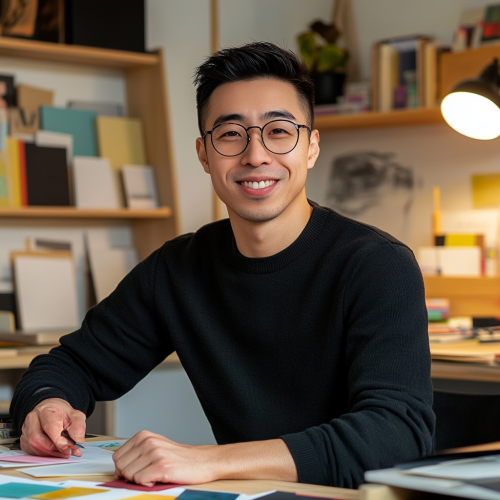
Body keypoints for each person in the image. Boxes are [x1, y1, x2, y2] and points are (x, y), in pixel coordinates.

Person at [11, 42, 434, 489]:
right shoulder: (179, 269)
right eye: (231, 134)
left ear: (310, 146)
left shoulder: (377, 265)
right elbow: (72, 364)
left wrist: (210, 462)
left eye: (279, 131)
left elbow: (398, 437)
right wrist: (46, 403)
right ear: (204, 155)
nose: (255, 155)